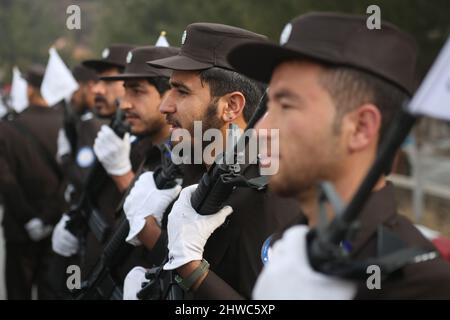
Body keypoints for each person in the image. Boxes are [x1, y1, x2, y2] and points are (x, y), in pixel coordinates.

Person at [225, 12, 450, 299]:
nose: (261, 130)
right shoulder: (291, 242)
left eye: (287, 105)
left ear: (360, 128)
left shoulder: (420, 285)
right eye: (268, 107)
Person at [123, 23, 302, 299]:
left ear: (231, 106)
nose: (165, 106)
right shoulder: (193, 171)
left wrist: (193, 271)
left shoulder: (266, 196)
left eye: (181, 92)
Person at [0, 65, 65, 299]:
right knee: (52, 291)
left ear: (29, 89)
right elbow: (72, 179)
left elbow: (6, 180)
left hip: (19, 229)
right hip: (57, 227)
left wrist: (29, 219)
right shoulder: (67, 123)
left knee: (18, 292)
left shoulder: (7, 127)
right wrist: (48, 218)